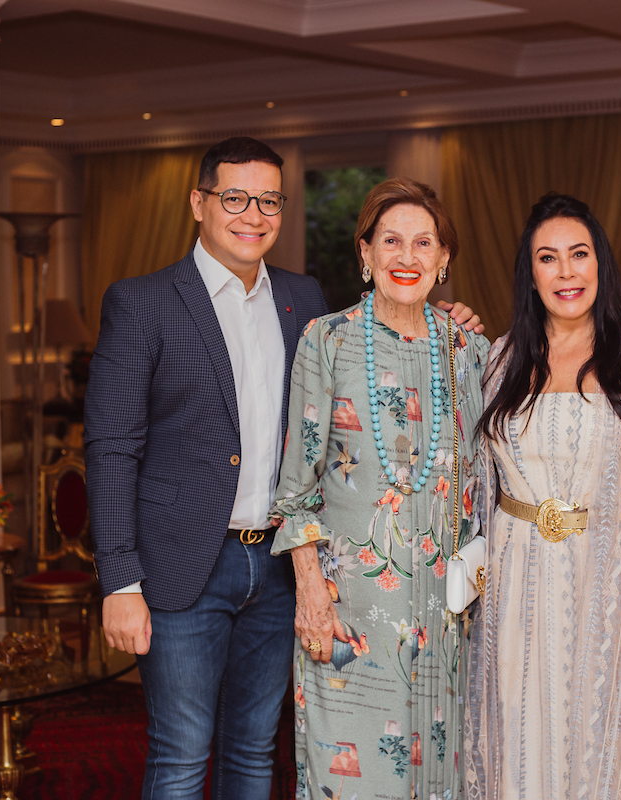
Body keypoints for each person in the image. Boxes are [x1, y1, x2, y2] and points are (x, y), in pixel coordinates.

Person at [85, 139, 481, 800]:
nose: (252, 214)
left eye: (268, 200)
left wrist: (442, 317)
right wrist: (119, 579)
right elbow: (110, 448)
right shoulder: (143, 303)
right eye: (234, 198)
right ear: (199, 203)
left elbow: (370, 354)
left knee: (254, 750)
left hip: (276, 568)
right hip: (185, 566)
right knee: (181, 756)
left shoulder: (304, 300)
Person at [269, 177, 490, 800]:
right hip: (351, 615)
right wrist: (311, 591)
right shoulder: (327, 341)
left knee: (438, 777)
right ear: (364, 254)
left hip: (446, 621)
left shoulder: (472, 351)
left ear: (444, 259)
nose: (407, 256)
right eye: (390, 241)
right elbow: (295, 491)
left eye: (424, 243)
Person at [464, 192, 621, 799]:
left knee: (605, 742)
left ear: (600, 265)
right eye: (548, 258)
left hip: (610, 580)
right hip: (514, 585)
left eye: (579, 254)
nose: (566, 271)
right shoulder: (501, 358)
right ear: (530, 274)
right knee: (518, 738)